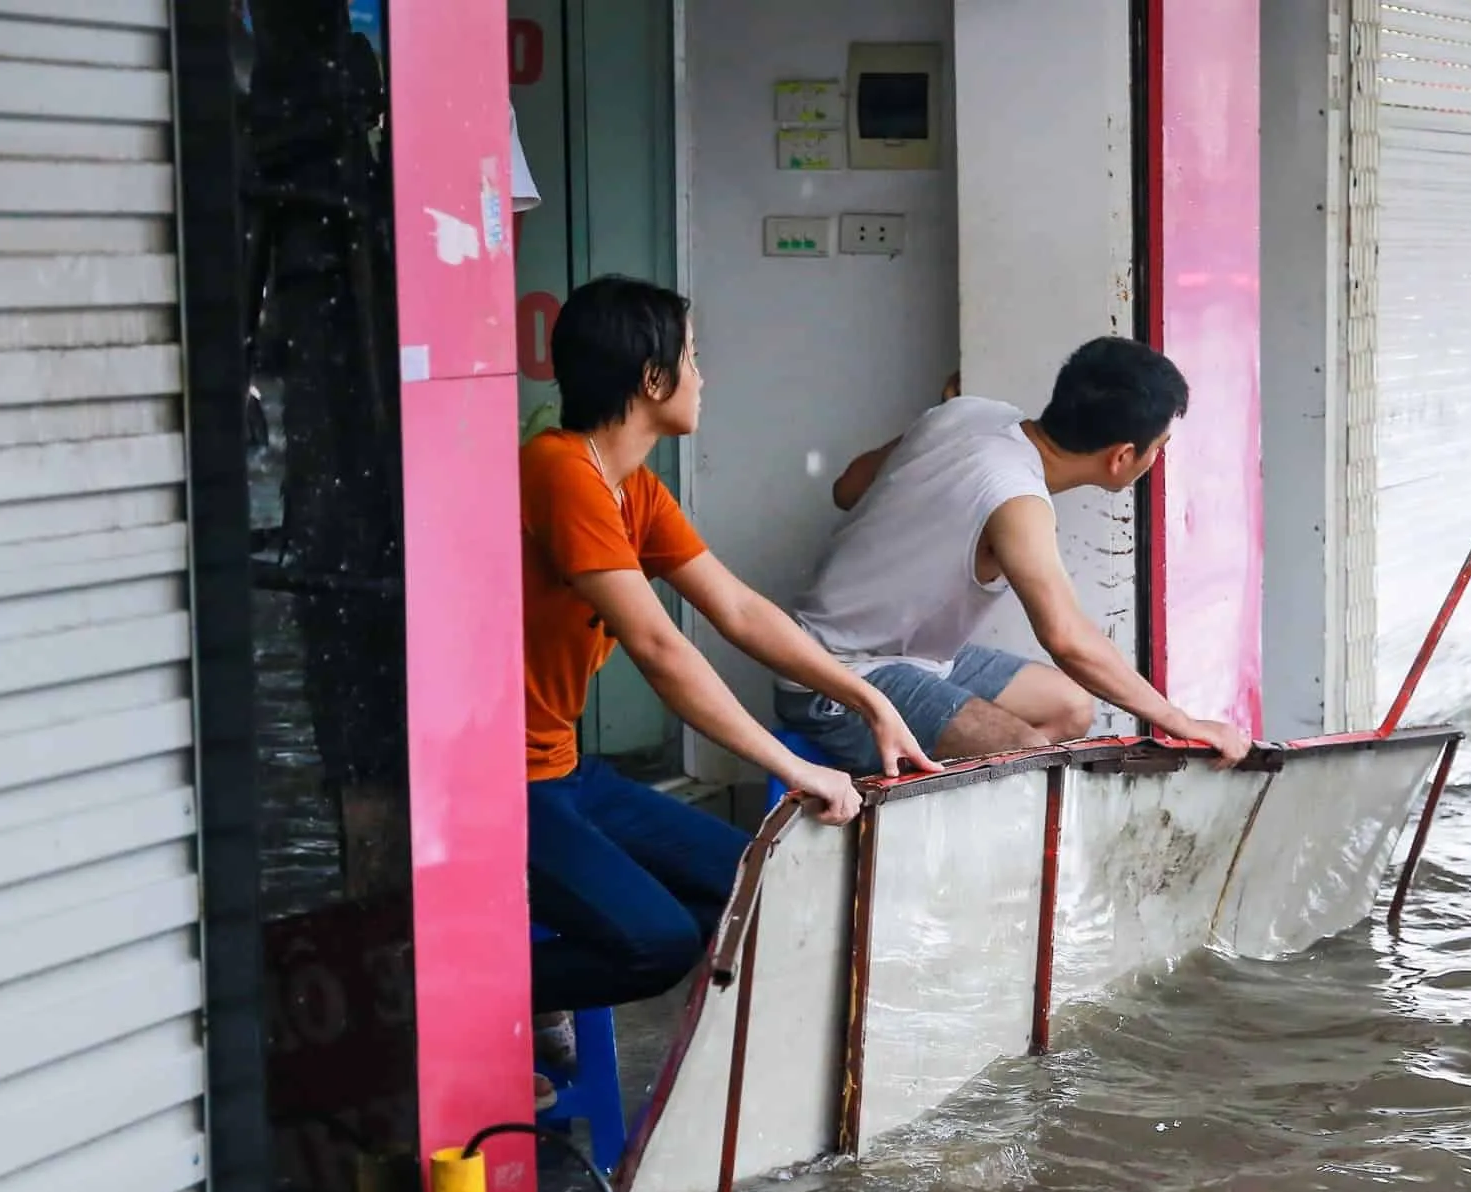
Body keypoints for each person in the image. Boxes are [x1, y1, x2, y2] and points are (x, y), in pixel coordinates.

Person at [522, 275, 937, 1101]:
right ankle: (483, 995)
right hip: (505, 788)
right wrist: (800, 769)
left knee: (765, 875)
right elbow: (659, 647)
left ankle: (745, 1102)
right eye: (695, 358)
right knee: (657, 942)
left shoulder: (630, 486)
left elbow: (740, 609)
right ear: (651, 379)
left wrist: (871, 699)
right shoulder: (560, 471)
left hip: (564, 769)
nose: (704, 377)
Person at [775, 337, 1253, 772]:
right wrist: (1180, 721)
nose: (1156, 461)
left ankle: (942, 792)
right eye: (1159, 449)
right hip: (832, 678)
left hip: (911, 654)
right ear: (1122, 456)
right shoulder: (1016, 499)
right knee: (1026, 753)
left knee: (1069, 708)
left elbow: (847, 487)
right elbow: (1067, 639)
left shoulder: (967, 414)